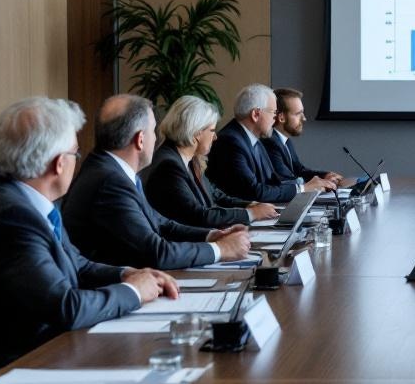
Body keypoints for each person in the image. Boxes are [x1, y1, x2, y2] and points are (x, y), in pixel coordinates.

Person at [0, 97, 178, 368]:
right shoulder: (14, 219)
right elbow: (66, 307)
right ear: (59, 163)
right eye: (75, 154)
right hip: (20, 366)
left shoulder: (19, 202)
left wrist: (127, 274)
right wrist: (134, 291)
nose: (77, 163)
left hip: (52, 351)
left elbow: (76, 264)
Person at [63, 95, 251, 270]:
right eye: (153, 131)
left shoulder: (112, 170)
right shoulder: (110, 181)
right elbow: (157, 253)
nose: (157, 138)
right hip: (116, 284)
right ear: (140, 139)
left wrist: (212, 236)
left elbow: (160, 223)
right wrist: (221, 249)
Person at [141, 95, 279, 229]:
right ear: (196, 132)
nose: (215, 137)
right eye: (212, 130)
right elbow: (198, 216)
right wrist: (251, 214)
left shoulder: (191, 159)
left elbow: (216, 195)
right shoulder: (169, 166)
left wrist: (251, 205)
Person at [207, 84, 335, 203]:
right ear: (256, 114)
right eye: (273, 113)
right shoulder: (230, 142)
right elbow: (255, 192)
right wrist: (302, 189)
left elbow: (274, 181)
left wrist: (315, 184)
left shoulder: (254, 139)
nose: (275, 119)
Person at [262, 87, 343, 186]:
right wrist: (320, 184)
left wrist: (325, 175)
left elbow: (299, 170)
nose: (304, 118)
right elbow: (285, 180)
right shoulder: (270, 142)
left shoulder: (285, 141)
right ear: (281, 117)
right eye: (298, 114)